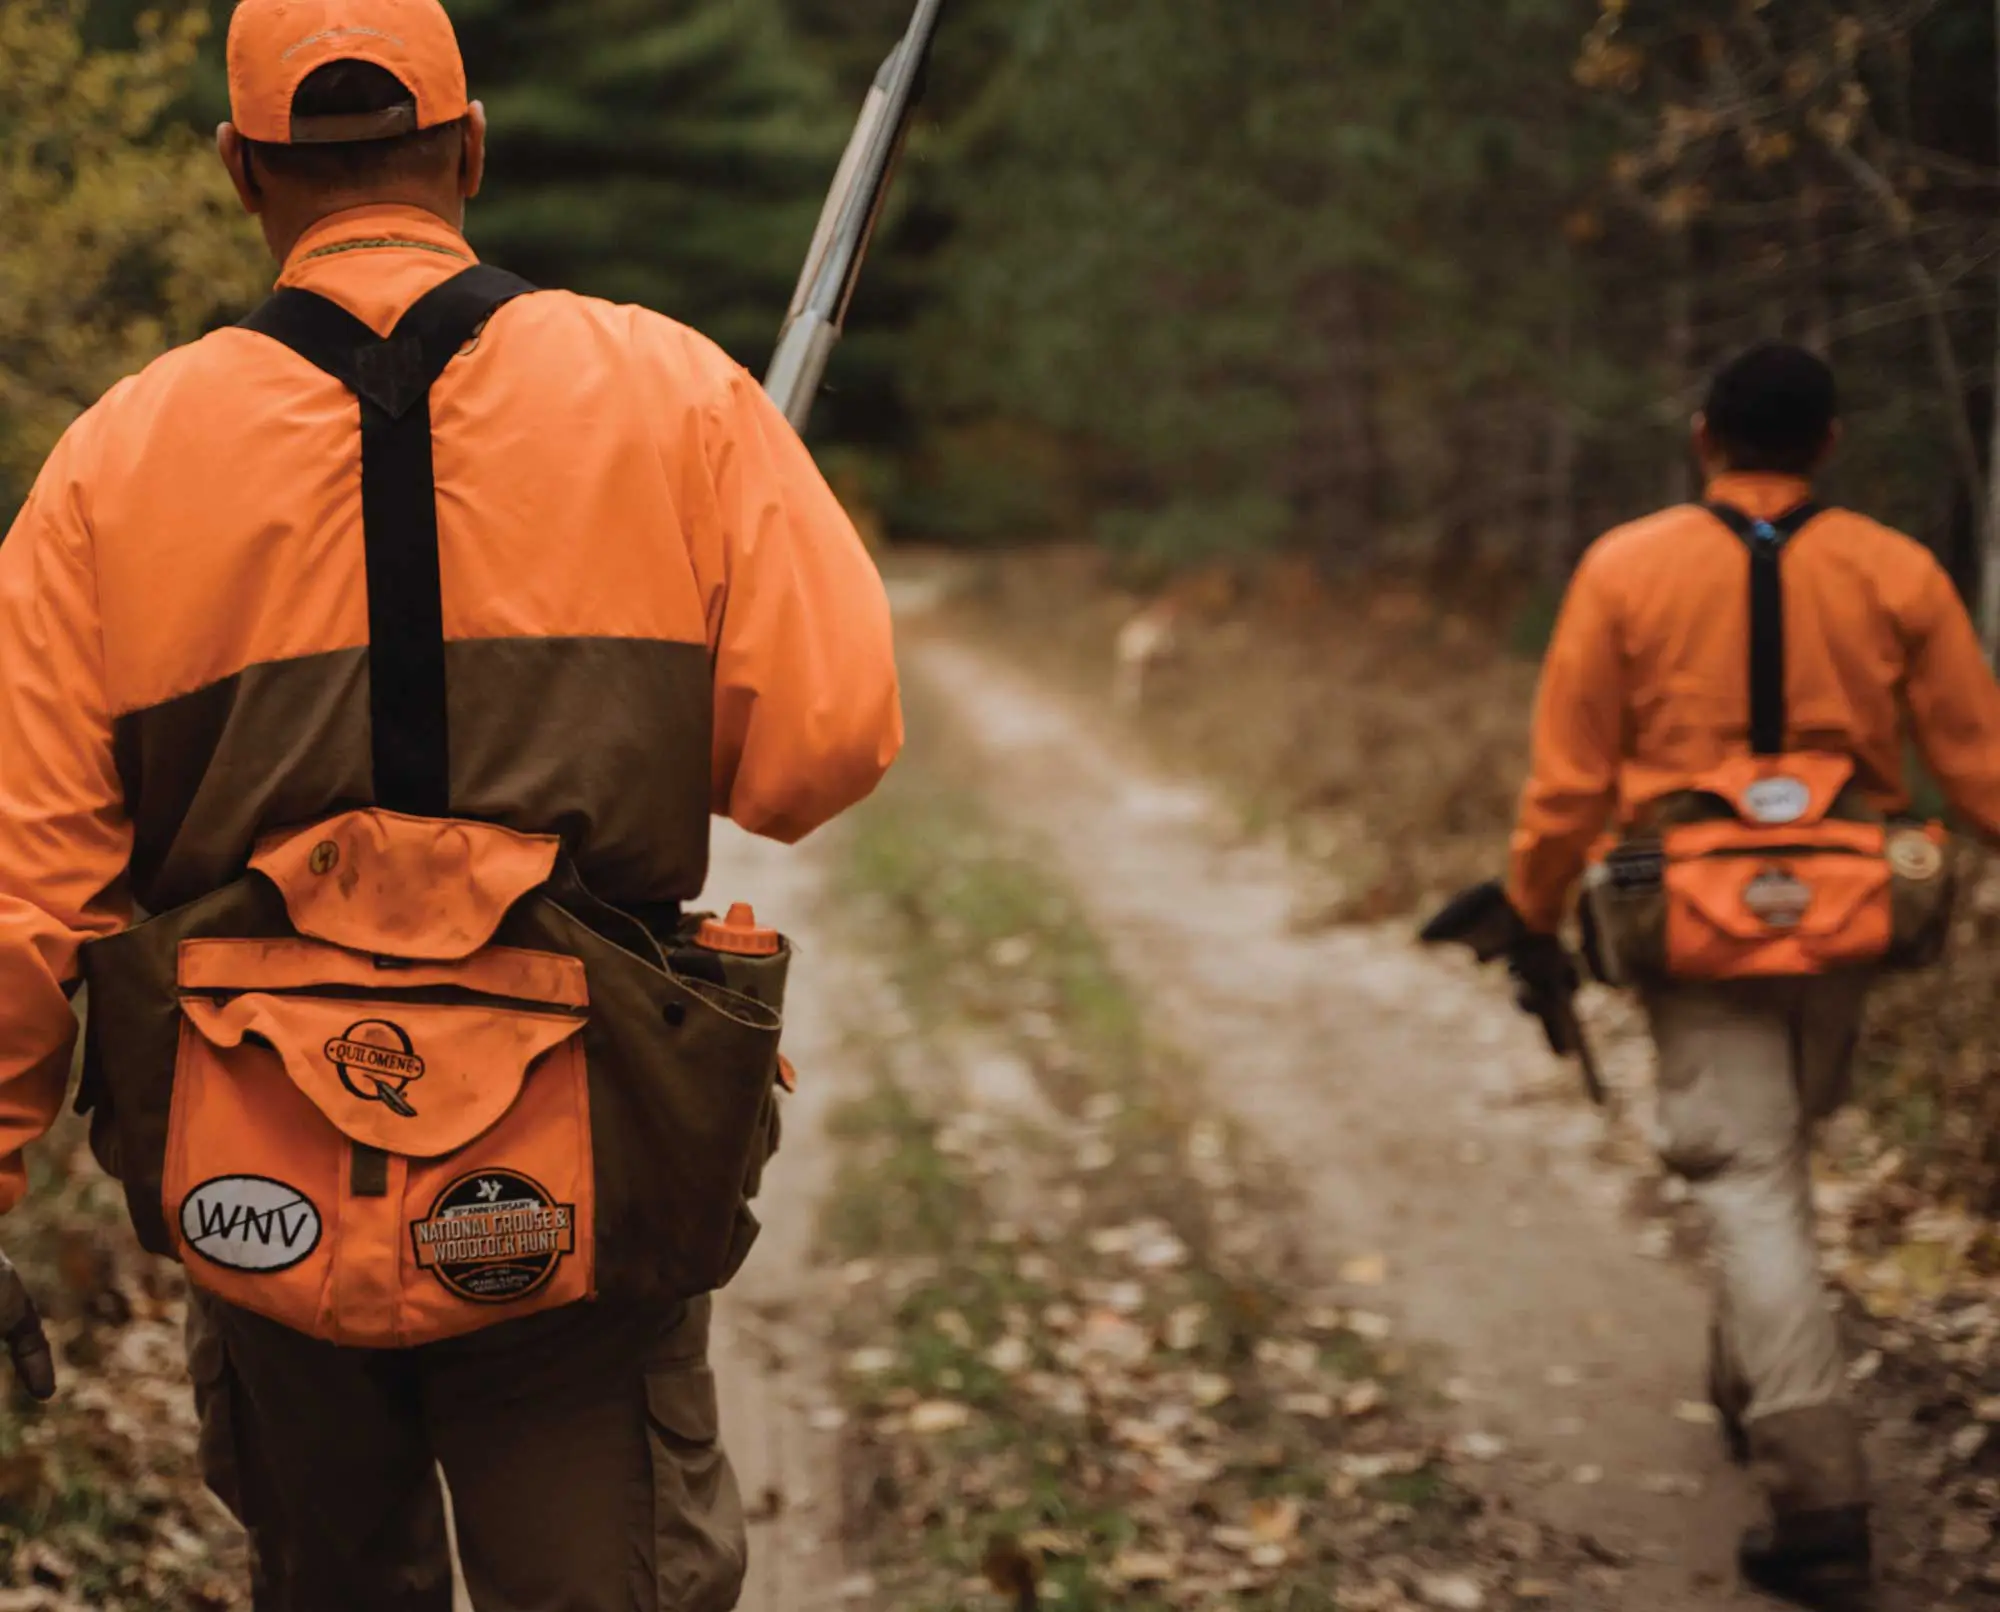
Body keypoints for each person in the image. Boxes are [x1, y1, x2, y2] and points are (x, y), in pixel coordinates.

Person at [0, 1, 902, 1608]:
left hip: (257, 1161)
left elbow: (21, 878)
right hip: (585, 1134)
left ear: (238, 170)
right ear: (471, 148)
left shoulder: (109, 464)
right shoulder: (677, 396)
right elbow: (820, 751)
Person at [1504, 342, 2000, 1608]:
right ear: (1827, 441)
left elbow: (1567, 780)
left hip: (1685, 919)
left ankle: (1818, 1500)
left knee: (1747, 1174)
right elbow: (1974, 760)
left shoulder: (1625, 566)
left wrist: (1530, 906)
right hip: (1849, 910)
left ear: (1701, 436)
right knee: (1771, 1159)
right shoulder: (1896, 568)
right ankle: (1751, 1379)